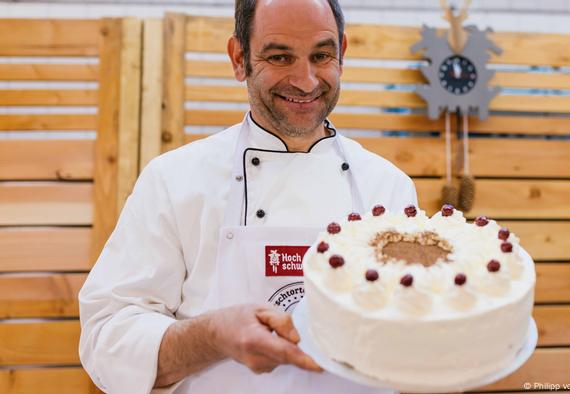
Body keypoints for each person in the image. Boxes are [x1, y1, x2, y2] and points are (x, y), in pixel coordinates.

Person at [79, 0, 417, 393]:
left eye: (321, 55)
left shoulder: (389, 186)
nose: (305, 80)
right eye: (280, 56)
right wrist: (212, 336)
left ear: (342, 53)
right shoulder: (173, 180)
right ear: (239, 59)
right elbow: (106, 338)